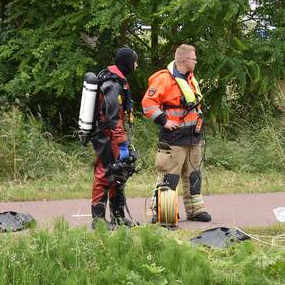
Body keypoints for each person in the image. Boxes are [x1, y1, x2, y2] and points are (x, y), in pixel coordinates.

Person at [141, 44, 211, 223]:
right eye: (194, 58)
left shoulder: (190, 79)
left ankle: (195, 209)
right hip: (174, 139)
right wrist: (164, 121)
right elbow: (148, 104)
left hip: (192, 137)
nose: (196, 61)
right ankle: (163, 212)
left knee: (194, 174)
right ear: (184, 60)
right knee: (170, 175)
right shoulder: (165, 79)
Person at [90, 47, 138, 228]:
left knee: (119, 173)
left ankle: (118, 217)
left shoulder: (118, 80)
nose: (136, 65)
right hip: (106, 136)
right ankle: (98, 221)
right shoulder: (112, 83)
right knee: (104, 174)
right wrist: (122, 143)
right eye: (135, 61)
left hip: (112, 136)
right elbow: (113, 116)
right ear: (127, 62)